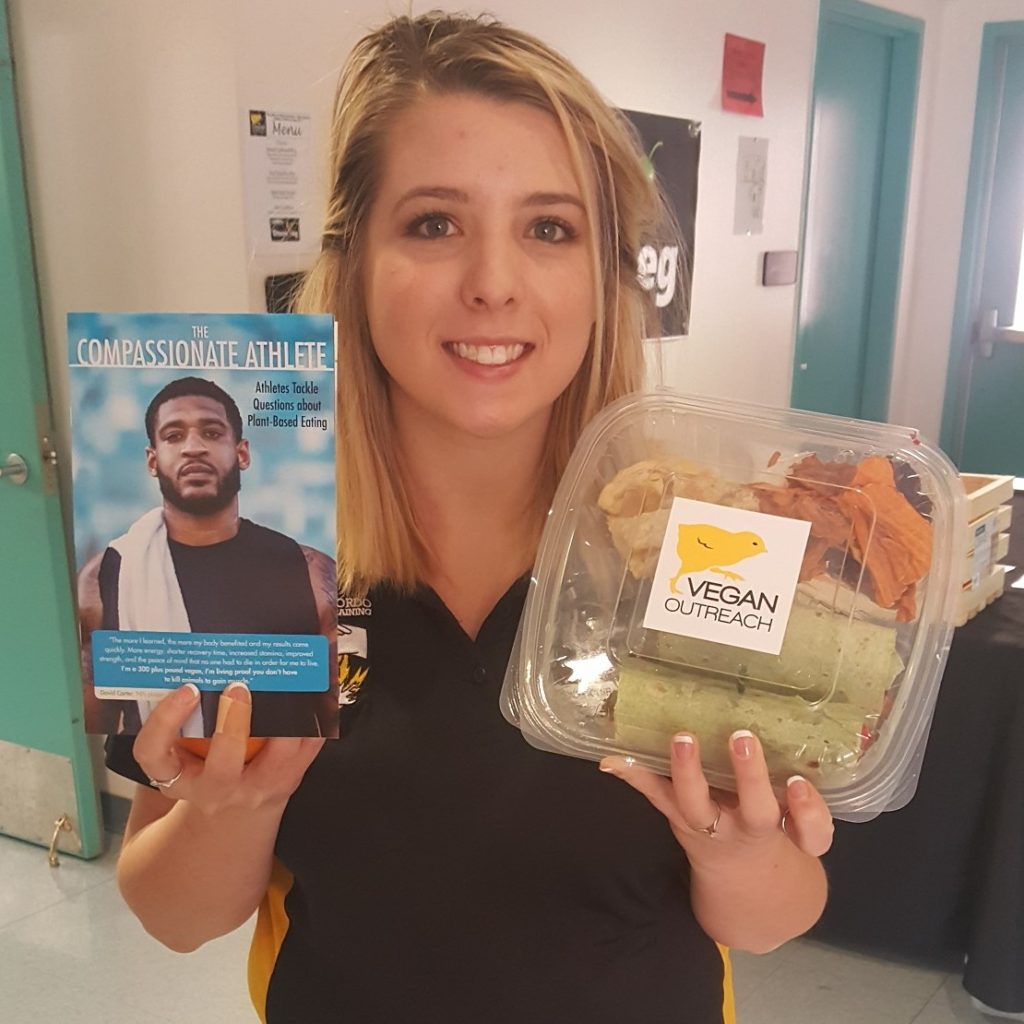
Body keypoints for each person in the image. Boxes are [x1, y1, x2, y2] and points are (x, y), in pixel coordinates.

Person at [106, 13, 833, 1023]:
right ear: (354, 258)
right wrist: (240, 801)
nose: (493, 283)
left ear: (604, 276)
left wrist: (742, 847)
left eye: (549, 227)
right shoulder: (249, 557)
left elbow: (770, 918)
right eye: (434, 223)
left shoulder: (709, 545)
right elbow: (176, 915)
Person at [79, 376, 338, 739]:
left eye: (212, 433)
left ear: (242, 453)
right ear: (152, 460)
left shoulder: (310, 572)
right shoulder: (105, 578)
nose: (193, 448)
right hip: (166, 785)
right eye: (173, 436)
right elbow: (94, 723)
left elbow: (338, 718)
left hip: (289, 786)